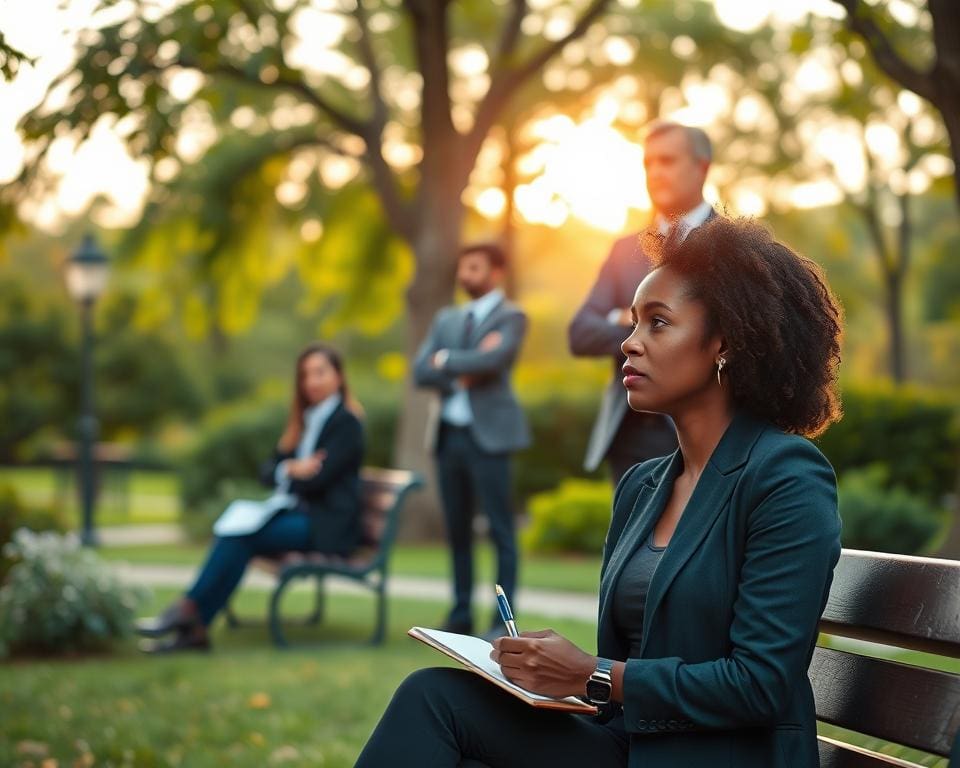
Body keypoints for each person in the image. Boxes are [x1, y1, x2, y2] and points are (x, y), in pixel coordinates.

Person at [356, 216, 844, 768]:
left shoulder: (786, 478)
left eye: (658, 323)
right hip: (628, 746)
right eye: (633, 323)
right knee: (434, 698)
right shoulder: (643, 487)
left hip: (720, 756)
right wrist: (550, 675)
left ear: (724, 343)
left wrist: (593, 673)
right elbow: (620, 673)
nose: (628, 344)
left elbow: (760, 683)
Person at [136, 342, 364, 653]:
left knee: (242, 534)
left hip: (327, 526)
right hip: (299, 515)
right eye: (305, 375)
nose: (311, 381)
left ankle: (189, 615)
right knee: (237, 535)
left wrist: (293, 473)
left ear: (338, 376)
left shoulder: (346, 423)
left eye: (320, 372)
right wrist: (292, 468)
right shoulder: (304, 422)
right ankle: (194, 625)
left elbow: (318, 481)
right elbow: (267, 472)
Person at [569, 120, 715, 484]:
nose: (655, 173)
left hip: (708, 439)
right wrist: (662, 328)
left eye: (667, 161)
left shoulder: (733, 245)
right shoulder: (624, 250)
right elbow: (580, 333)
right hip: (630, 440)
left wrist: (625, 320)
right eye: (648, 163)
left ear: (702, 167)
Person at [413, 242, 531, 638]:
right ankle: (460, 614)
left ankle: (501, 621)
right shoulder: (447, 318)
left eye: (475, 268)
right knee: (457, 530)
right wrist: (463, 367)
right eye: (463, 268)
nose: (465, 275)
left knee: (501, 531)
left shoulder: (511, 317)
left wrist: (445, 359)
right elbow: (419, 371)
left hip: (490, 440)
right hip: (449, 437)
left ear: (496, 272)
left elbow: (494, 361)